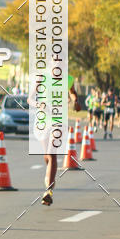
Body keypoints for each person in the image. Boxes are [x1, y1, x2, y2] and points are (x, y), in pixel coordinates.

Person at [41, 75, 81, 206]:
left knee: (52, 154)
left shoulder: (68, 78)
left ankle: (48, 191)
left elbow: (72, 92)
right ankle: (49, 179)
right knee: (47, 157)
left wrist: (75, 101)